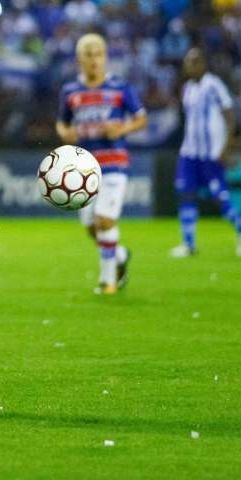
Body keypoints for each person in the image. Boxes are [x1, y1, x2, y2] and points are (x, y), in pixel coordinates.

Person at [55, 33, 147, 295]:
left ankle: (108, 282)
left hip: (114, 163)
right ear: (79, 59)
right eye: (88, 54)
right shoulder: (70, 91)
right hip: (83, 168)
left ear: (105, 57)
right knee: (91, 227)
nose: (94, 59)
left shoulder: (120, 88)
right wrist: (65, 133)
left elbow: (141, 118)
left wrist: (123, 129)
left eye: (98, 54)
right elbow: (62, 121)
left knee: (105, 220)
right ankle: (118, 255)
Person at [171, 47, 241, 258]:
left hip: (211, 154)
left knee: (219, 198)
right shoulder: (187, 88)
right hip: (189, 152)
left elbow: (230, 114)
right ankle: (189, 244)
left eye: (196, 61)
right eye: (189, 62)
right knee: (186, 194)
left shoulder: (214, 85)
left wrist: (226, 146)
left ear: (204, 64)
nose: (192, 65)